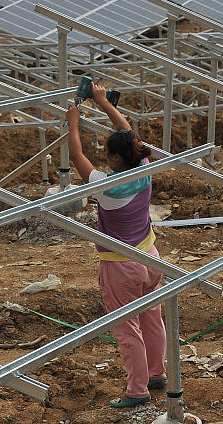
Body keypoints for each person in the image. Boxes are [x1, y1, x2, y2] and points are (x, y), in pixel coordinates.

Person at [66, 82, 168, 409]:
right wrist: (103, 103)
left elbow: (76, 155)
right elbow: (129, 134)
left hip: (120, 266)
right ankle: (157, 373)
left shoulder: (106, 188)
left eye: (108, 154)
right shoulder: (145, 166)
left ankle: (137, 390)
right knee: (152, 316)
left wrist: (73, 120)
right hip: (150, 257)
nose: (103, 157)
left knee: (127, 330)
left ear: (114, 159)